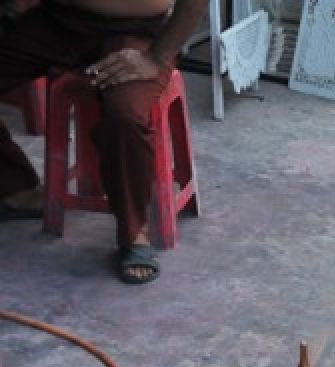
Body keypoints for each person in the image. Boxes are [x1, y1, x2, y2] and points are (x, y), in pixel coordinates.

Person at [0, 0, 205, 284]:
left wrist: (157, 58)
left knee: (124, 114)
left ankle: (134, 233)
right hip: (57, 21)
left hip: (138, 32)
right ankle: (17, 188)